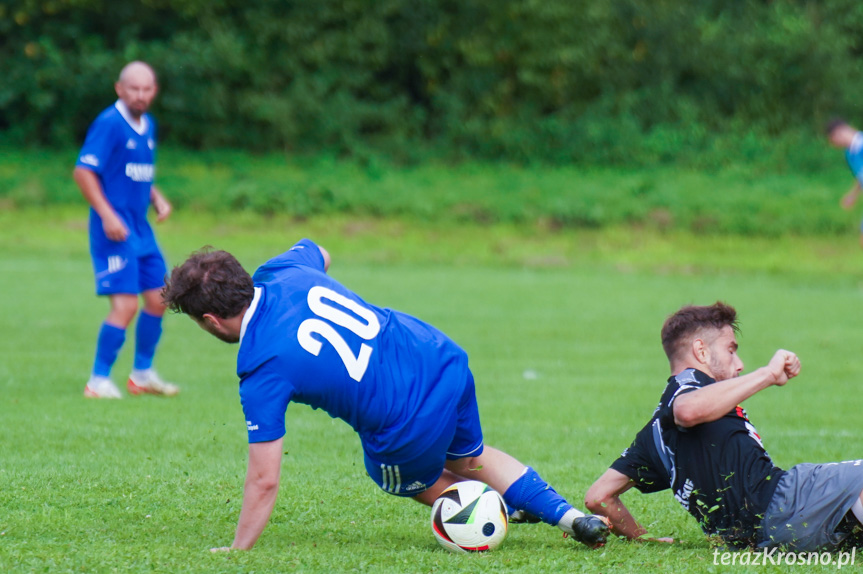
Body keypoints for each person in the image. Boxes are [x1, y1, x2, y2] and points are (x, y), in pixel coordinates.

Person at [161, 238, 609, 551]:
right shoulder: (282, 270)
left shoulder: (259, 367)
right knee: (471, 457)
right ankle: (572, 519)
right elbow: (321, 251)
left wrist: (239, 550)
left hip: (401, 425)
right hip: (441, 359)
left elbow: (264, 478)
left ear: (212, 320)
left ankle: (492, 511)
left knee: (393, 474)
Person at [584, 302, 863, 551]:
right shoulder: (688, 387)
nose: (739, 364)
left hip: (758, 539)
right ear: (701, 351)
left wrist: (642, 539)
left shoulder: (652, 435)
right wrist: (767, 373)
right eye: (731, 350)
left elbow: (599, 497)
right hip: (783, 501)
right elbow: (687, 410)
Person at [73, 61, 179, 399]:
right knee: (126, 306)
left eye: (147, 89)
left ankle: (142, 375)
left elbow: (137, 173)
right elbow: (84, 173)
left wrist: (158, 197)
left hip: (141, 230)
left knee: (160, 298)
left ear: (154, 91)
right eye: (134, 88)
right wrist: (107, 215)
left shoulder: (148, 125)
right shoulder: (109, 124)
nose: (140, 95)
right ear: (120, 89)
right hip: (114, 231)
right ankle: (98, 380)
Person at [826, 118, 863, 247]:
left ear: (839, 132)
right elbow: (861, 176)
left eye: (833, 141)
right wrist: (853, 195)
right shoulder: (850, 154)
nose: (835, 145)